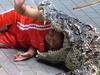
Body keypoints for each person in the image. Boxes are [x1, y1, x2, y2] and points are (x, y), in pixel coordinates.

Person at [0, 0, 64, 62]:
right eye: (53, 33)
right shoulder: (45, 20)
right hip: (16, 19)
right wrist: (19, 6)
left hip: (15, 39)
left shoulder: (45, 48)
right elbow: (24, 11)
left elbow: (35, 47)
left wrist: (29, 53)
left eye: (54, 42)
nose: (50, 37)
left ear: (53, 48)